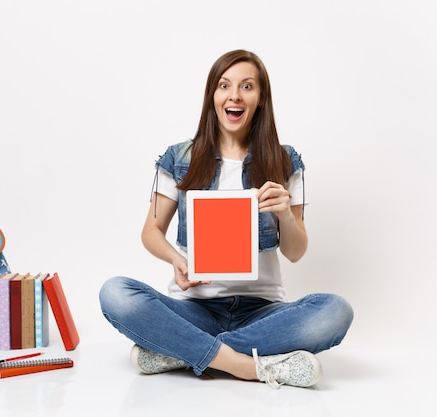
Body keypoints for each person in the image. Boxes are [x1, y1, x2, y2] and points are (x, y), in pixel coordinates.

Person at [99, 49, 353, 389]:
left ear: (261, 98)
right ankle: (246, 365)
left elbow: (295, 251)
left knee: (336, 311)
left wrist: (284, 213)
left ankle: (181, 352)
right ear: (212, 95)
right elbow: (151, 231)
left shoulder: (284, 160)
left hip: (262, 311)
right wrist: (177, 259)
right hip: (195, 309)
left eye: (247, 86)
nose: (234, 95)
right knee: (115, 293)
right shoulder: (179, 158)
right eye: (224, 85)